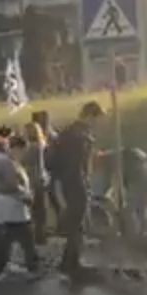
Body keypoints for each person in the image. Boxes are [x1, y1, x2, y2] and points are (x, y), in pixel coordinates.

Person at [51, 101, 105, 283]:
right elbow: (75, 164)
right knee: (77, 224)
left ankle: (69, 262)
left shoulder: (71, 132)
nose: (98, 123)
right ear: (90, 115)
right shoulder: (79, 135)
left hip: (71, 181)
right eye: (97, 119)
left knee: (77, 224)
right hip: (75, 182)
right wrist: (83, 182)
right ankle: (71, 264)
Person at [0, 136, 40, 281]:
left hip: (10, 207)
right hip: (13, 206)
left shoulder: (7, 161)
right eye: (23, 150)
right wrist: (26, 196)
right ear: (17, 148)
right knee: (27, 240)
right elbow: (11, 184)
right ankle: (32, 269)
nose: (24, 154)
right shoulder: (7, 162)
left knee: (6, 240)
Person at [21, 122, 51, 244]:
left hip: (33, 179)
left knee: (33, 210)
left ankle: (35, 236)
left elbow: (27, 162)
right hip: (42, 179)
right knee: (40, 211)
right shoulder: (42, 145)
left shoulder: (32, 147)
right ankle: (41, 235)